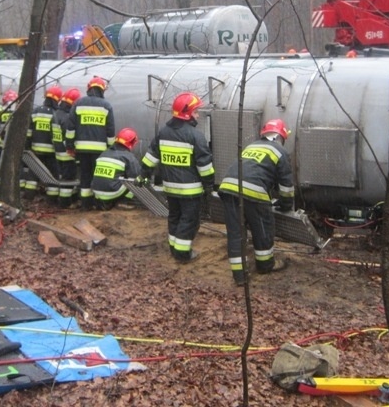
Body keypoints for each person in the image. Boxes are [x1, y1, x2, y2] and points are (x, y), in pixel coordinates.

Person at [218, 119, 295, 285]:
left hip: (228, 188)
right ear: (281, 136)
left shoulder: (251, 146)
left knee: (236, 234)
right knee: (262, 229)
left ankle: (240, 276)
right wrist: (286, 205)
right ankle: (265, 265)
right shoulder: (280, 151)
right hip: (253, 192)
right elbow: (286, 185)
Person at [139, 92, 214, 263]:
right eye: (195, 112)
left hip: (170, 188)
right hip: (190, 191)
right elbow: (205, 166)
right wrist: (209, 185)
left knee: (174, 217)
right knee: (189, 221)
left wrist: (144, 175)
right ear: (187, 114)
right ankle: (182, 254)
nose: (198, 115)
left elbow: (151, 157)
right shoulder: (196, 136)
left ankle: (174, 247)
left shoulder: (163, 133)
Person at [65, 77, 115, 210]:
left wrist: (70, 146)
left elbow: (71, 128)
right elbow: (110, 130)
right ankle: (99, 204)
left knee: (85, 176)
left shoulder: (78, 104)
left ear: (89, 88)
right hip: (100, 150)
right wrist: (110, 148)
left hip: (81, 149)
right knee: (98, 177)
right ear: (102, 90)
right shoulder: (106, 106)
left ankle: (85, 205)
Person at [25, 86, 62, 201]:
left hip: (35, 150)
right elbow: (56, 135)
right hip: (51, 152)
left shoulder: (35, 112)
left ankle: (28, 196)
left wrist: (28, 147)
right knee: (52, 175)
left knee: (33, 174)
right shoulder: (56, 114)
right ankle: (51, 199)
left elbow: (29, 132)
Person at [91, 128, 140, 210]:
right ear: (131, 143)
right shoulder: (128, 157)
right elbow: (136, 174)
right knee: (135, 181)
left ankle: (104, 203)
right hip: (112, 193)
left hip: (96, 192)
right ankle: (124, 202)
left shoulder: (104, 153)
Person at [52, 87, 81, 208]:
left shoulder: (56, 114)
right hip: (67, 153)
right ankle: (64, 203)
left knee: (63, 177)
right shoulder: (68, 117)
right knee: (68, 178)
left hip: (58, 152)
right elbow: (70, 136)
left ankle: (70, 199)